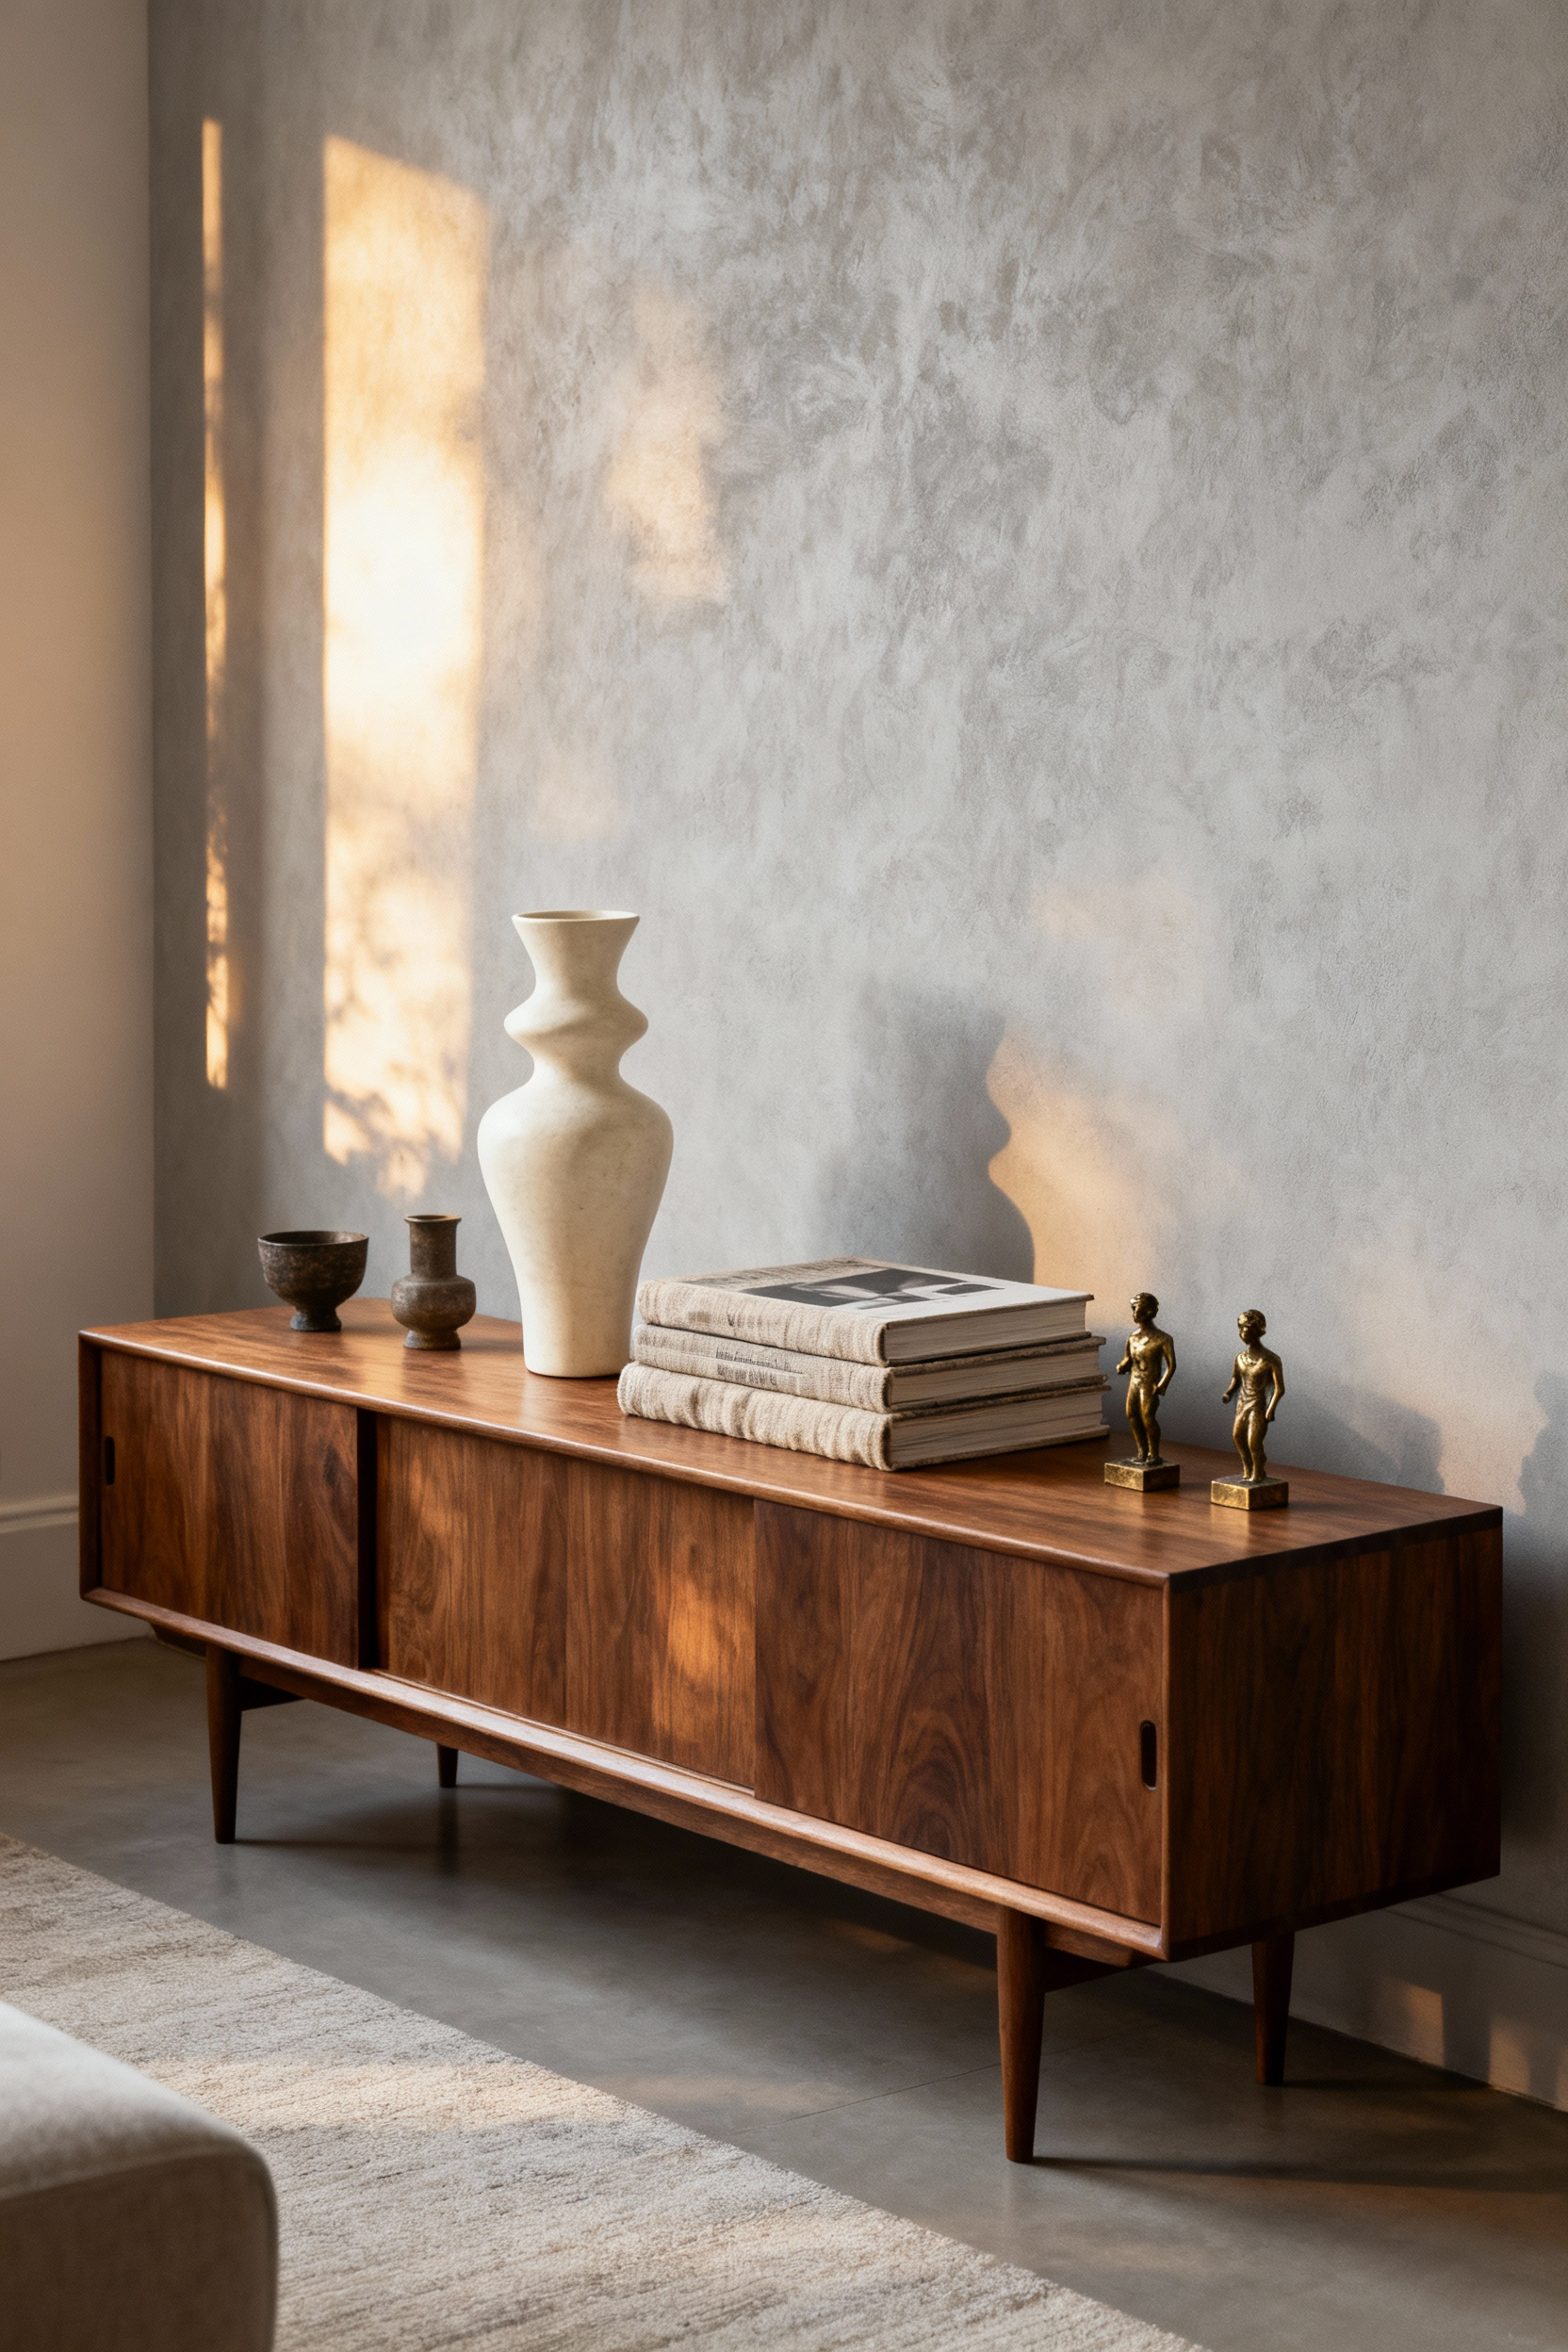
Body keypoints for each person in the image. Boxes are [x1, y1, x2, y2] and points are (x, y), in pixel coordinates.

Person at [1221, 1309, 1285, 1483]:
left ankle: (1257, 1474)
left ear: (1257, 1329)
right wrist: (1228, 1393)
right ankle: (1247, 1469)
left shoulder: (1271, 1359)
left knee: (1253, 1442)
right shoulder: (1240, 1358)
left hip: (1258, 1405)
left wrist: (1271, 1409)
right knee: (1237, 1438)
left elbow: (1279, 1389)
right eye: (1240, 1328)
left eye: (1246, 1328)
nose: (1242, 1332)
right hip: (1242, 1404)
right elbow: (1235, 1380)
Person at [1116, 1293, 1176, 1466]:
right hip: (1135, 1382)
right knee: (1132, 1415)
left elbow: (1171, 1365)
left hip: (1150, 1384)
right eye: (1132, 1308)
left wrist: (1162, 1385)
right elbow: (1129, 1359)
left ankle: (1154, 1454)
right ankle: (1141, 1451)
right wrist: (1122, 1366)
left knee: (1148, 1417)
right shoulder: (1133, 1338)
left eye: (1136, 1307)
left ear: (1149, 1310)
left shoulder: (1163, 1339)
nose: (1133, 1311)